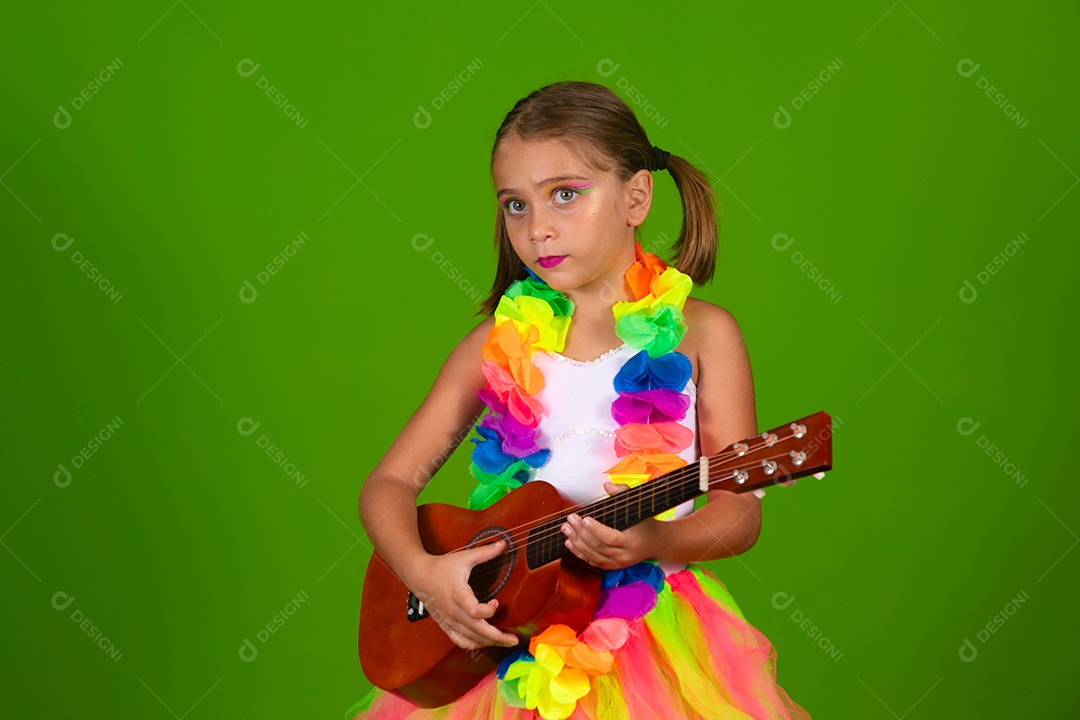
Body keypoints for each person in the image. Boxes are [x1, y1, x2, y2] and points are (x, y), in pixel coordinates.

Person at [350, 80, 810, 720]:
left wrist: (653, 540)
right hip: (512, 641)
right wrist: (426, 575)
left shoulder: (705, 333)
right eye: (515, 205)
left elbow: (740, 514)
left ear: (636, 196)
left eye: (565, 194)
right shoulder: (494, 344)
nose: (538, 228)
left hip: (646, 630)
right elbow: (389, 484)